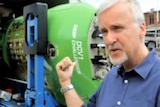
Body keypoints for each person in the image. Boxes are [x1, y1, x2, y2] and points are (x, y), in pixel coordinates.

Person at [56, 0, 160, 107]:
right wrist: (66, 82)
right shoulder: (111, 77)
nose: (109, 40)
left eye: (117, 28)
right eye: (104, 31)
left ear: (141, 29)